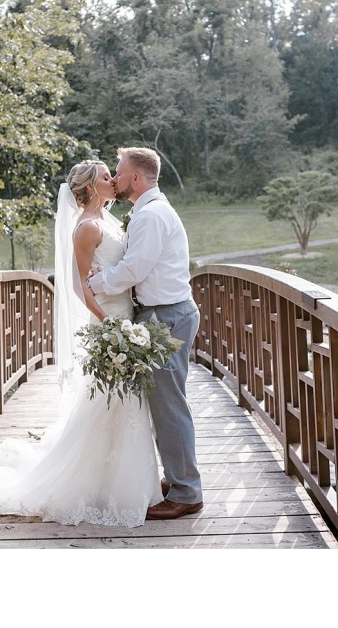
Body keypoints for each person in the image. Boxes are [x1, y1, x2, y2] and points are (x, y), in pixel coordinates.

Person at [0, 160, 163, 526]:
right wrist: (111, 326)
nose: (113, 180)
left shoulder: (109, 220)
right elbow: (79, 286)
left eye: (112, 175)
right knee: (112, 404)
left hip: (126, 316)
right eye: (105, 177)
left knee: (125, 405)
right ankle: (104, 487)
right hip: (111, 323)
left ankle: (130, 486)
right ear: (90, 188)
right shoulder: (86, 227)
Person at [86, 146, 203, 520]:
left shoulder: (151, 215)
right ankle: (178, 477)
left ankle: (187, 491)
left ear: (136, 178)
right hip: (160, 315)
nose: (115, 179)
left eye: (118, 173)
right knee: (163, 404)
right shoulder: (148, 211)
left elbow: (134, 269)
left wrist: (96, 283)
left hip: (167, 317)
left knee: (170, 408)